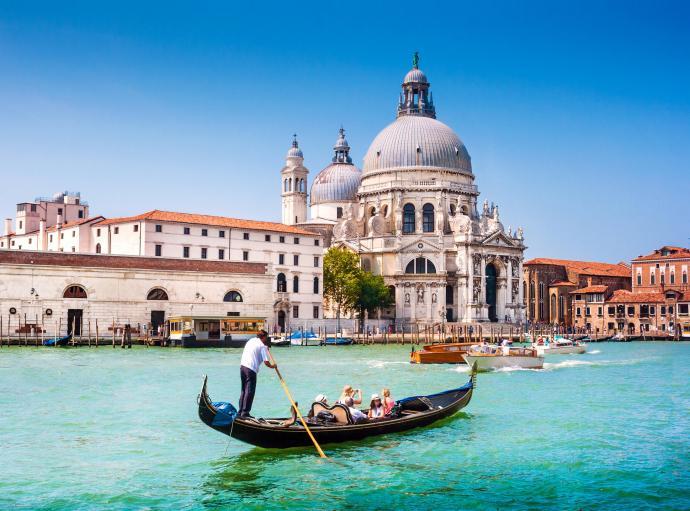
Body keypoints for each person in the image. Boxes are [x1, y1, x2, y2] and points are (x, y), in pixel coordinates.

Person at [238, 329, 277, 419]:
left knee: (243, 390)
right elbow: (266, 363)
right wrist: (273, 366)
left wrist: (265, 348)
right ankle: (245, 413)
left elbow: (257, 350)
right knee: (250, 391)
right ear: (263, 337)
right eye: (266, 338)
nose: (266, 340)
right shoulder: (262, 346)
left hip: (242, 367)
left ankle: (240, 411)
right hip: (250, 369)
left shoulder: (251, 340)